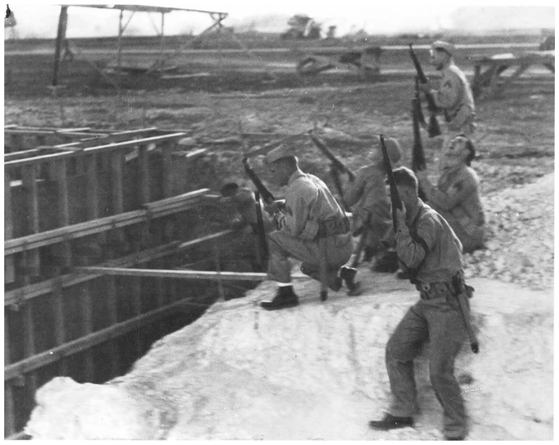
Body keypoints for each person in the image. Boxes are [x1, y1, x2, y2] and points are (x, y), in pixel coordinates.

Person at [369, 167, 470, 441]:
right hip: (427, 300)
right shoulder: (413, 218)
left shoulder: (427, 220)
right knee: (396, 350)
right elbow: (392, 252)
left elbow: (412, 258)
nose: (390, 202)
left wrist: (401, 226)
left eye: (393, 196)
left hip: (449, 303)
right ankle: (403, 411)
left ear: (407, 192)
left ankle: (456, 424)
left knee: (439, 371)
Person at [259, 145, 359, 310]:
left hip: (329, 249)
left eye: (273, 171)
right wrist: (283, 205)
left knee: (274, 240)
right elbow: (310, 207)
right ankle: (343, 275)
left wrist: (277, 215)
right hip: (343, 244)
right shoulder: (311, 179)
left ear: (284, 167)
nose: (272, 176)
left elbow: (293, 230)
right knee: (307, 267)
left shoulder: (296, 189)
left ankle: (286, 294)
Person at [416, 135, 485, 253]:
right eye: (453, 140)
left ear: (466, 153)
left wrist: (424, 182)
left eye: (459, 141)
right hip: (459, 225)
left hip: (469, 234)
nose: (453, 141)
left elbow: (446, 203)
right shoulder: (450, 173)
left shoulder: (467, 177)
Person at [342, 136, 402, 272]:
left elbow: (349, 200)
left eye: (375, 147)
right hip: (391, 224)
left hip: (369, 219)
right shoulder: (400, 173)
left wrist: (347, 183)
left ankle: (371, 250)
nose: (372, 149)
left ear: (381, 154)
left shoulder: (366, 171)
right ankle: (374, 251)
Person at [419, 40, 476, 139]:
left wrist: (429, 91)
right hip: (459, 122)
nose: (432, 61)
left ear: (443, 56)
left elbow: (446, 101)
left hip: (460, 126)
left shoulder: (450, 74)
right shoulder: (450, 72)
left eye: (434, 56)